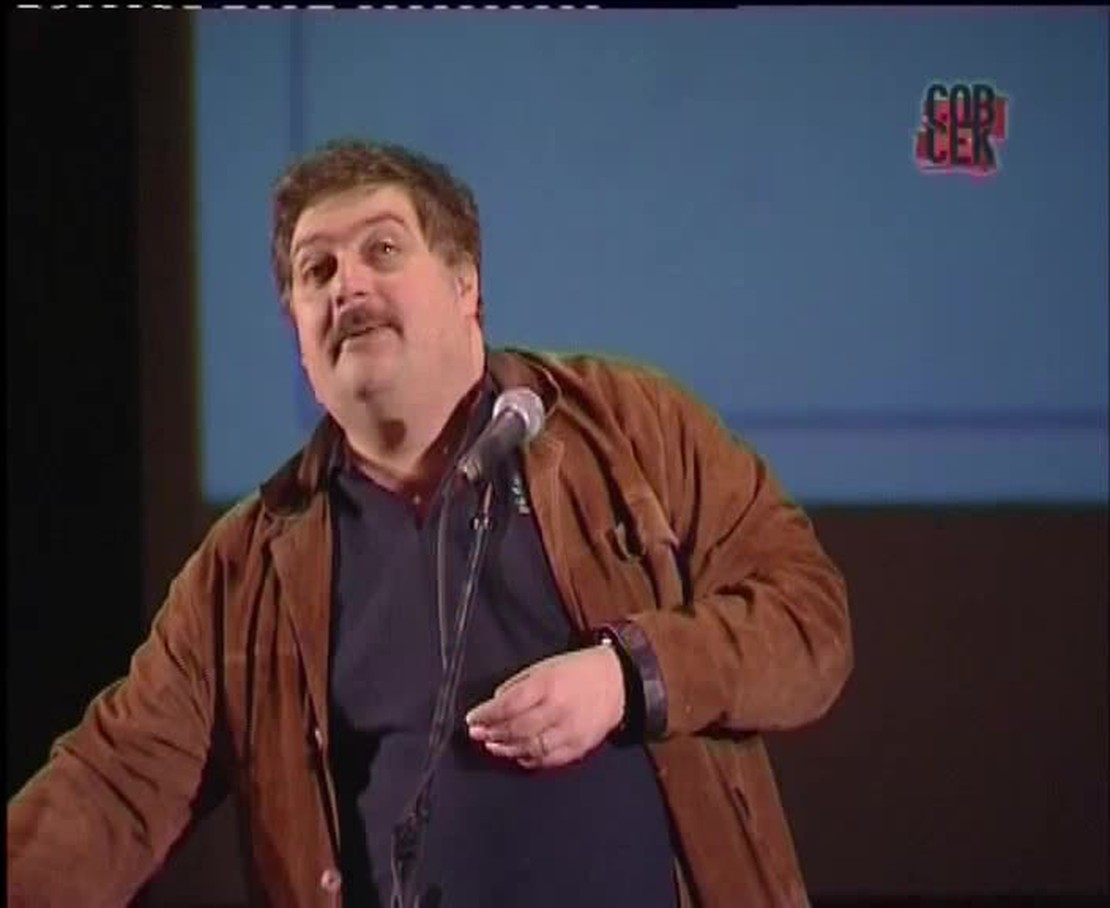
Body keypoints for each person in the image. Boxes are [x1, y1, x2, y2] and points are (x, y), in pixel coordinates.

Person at [7, 138, 852, 908]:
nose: (346, 286)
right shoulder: (247, 569)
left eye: (381, 250)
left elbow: (809, 620)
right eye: (316, 270)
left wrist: (627, 678)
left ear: (464, 285)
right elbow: (114, 787)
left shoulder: (633, 429)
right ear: (297, 331)